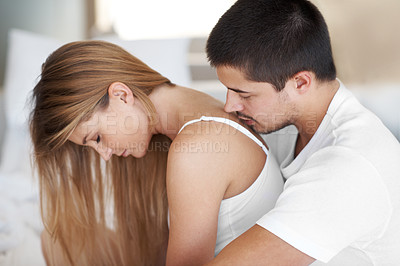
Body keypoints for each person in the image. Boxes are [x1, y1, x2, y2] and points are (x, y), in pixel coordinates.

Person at [29, 40, 284, 266]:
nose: (104, 155)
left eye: (96, 138)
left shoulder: (196, 149)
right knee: (56, 244)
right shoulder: (198, 112)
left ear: (121, 95)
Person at [205, 0, 400, 265]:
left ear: (300, 82)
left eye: (244, 94)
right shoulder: (285, 125)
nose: (230, 106)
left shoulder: (350, 164)